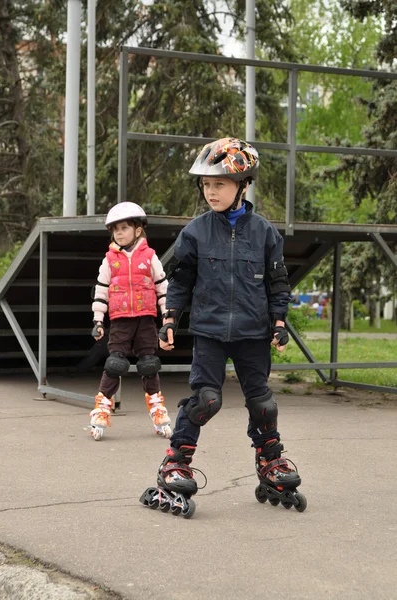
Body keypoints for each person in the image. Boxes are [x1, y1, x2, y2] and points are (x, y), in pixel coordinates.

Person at [140, 137, 306, 516]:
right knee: (206, 400)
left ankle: (270, 460)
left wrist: (280, 321)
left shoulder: (265, 233)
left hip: (253, 333)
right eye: (206, 184)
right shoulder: (196, 232)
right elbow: (179, 281)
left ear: (243, 184)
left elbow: (278, 283)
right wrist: (170, 317)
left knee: (263, 402)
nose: (210, 191)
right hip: (210, 331)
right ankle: (176, 461)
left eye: (219, 184)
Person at [89, 202, 171, 441]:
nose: (119, 233)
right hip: (121, 321)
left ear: (137, 230)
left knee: (149, 364)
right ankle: (102, 408)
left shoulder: (150, 256)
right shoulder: (109, 260)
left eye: (124, 228)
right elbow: (101, 291)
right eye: (115, 229)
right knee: (115, 364)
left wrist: (167, 319)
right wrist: (97, 320)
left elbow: (163, 288)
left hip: (146, 319)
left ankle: (156, 408)